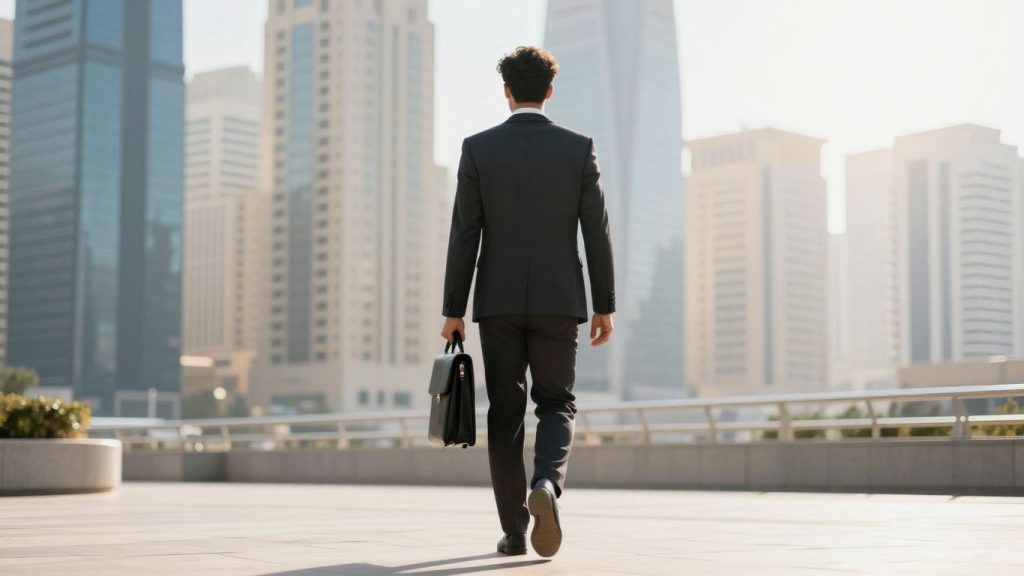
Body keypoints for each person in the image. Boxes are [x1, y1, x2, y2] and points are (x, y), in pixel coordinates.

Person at [439, 46, 615, 559]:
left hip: (497, 302)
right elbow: (596, 232)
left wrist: (453, 309)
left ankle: (515, 531)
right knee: (557, 402)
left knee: (505, 413)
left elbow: (464, 233)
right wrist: (603, 304)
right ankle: (547, 485)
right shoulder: (578, 148)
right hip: (559, 300)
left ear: (507, 92)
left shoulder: (478, 149)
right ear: (550, 91)